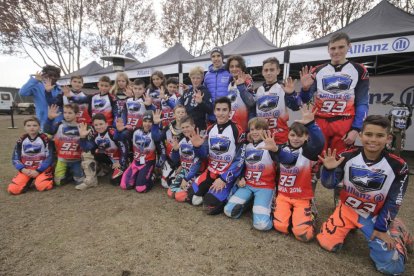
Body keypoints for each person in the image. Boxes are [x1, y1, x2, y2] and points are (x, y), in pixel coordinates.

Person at [317, 115, 412, 275]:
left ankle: (397, 230)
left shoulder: (399, 166)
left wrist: (382, 227)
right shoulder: (347, 156)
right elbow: (328, 184)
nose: (373, 139)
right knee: (327, 243)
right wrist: (328, 169)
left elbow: (395, 200)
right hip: (347, 210)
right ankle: (346, 226)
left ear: (388, 138)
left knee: (392, 268)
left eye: (380, 135)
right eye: (369, 134)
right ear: (360, 135)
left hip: (374, 216)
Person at [299, 32, 369, 155]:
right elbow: (305, 100)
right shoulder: (318, 70)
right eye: (333, 48)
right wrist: (305, 89)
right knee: (317, 158)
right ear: (328, 50)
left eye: (341, 47)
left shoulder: (359, 69)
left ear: (349, 46)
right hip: (320, 120)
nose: (336, 51)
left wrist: (356, 129)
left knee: (339, 161)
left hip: (345, 121)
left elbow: (362, 102)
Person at [224, 118, 291, 230]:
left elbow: (288, 160)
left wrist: (276, 150)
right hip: (248, 185)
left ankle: (267, 208)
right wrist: (241, 178)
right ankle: (250, 203)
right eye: (252, 129)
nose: (255, 132)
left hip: (265, 187)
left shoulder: (271, 146)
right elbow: (242, 166)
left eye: (258, 129)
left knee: (261, 225)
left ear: (265, 130)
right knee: (229, 211)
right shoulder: (247, 146)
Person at [273, 105, 325, 241]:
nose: (296, 138)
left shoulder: (308, 151)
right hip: (283, 195)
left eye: (300, 136)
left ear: (307, 137)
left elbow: (319, 143)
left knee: (303, 235)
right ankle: (291, 216)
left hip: (301, 197)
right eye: (293, 135)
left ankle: (311, 215)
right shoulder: (282, 148)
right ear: (288, 135)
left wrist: (311, 124)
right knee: (280, 227)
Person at [186, 97, 245, 215]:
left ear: (230, 112)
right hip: (211, 171)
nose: (221, 113)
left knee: (209, 206)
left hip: (226, 174)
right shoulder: (210, 128)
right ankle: (209, 189)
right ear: (214, 111)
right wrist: (198, 147)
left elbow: (240, 159)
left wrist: (224, 178)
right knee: (192, 197)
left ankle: (231, 189)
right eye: (218, 109)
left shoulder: (237, 130)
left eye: (224, 110)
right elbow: (204, 155)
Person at [255, 57, 300, 144]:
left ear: (278, 71)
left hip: (280, 134)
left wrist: (291, 94)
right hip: (262, 135)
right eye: (266, 70)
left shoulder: (283, 87)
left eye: (272, 70)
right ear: (262, 72)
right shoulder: (257, 90)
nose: (269, 73)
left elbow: (296, 107)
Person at [8, 117, 54, 195]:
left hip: (42, 169)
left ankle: (47, 177)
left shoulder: (45, 139)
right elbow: (15, 158)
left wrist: (38, 170)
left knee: (42, 186)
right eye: (28, 125)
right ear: (25, 127)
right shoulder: (21, 140)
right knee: (13, 189)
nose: (31, 127)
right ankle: (28, 180)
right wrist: (22, 169)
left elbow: (49, 157)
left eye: (34, 125)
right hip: (27, 170)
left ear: (39, 127)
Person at [79, 113, 128, 186]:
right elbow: (87, 149)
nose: (98, 127)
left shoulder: (112, 132)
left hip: (122, 158)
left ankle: (126, 166)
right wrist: (83, 138)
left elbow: (124, 148)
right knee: (94, 153)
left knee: (115, 181)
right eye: (96, 125)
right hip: (110, 159)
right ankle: (104, 168)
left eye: (101, 124)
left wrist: (121, 162)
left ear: (106, 124)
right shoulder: (95, 136)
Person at [44, 104, 85, 187]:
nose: (67, 115)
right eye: (65, 112)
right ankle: (68, 173)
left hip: (77, 160)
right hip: (62, 160)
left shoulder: (82, 126)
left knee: (80, 182)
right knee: (58, 183)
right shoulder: (59, 125)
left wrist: (83, 137)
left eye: (70, 113)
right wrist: (50, 119)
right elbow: (48, 130)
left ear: (77, 114)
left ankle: (75, 171)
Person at [168, 115, 206, 202]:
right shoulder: (181, 140)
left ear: (193, 126)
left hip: (196, 173)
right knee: (170, 193)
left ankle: (200, 192)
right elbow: (175, 160)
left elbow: (197, 164)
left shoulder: (199, 139)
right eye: (183, 127)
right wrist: (175, 150)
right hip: (184, 170)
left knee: (179, 196)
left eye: (187, 126)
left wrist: (186, 179)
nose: (185, 129)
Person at [117, 111, 158, 193]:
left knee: (140, 188)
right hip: (136, 162)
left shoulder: (155, 133)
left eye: (150, 122)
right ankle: (138, 177)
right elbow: (119, 138)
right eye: (145, 121)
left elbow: (160, 143)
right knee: (124, 185)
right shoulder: (136, 130)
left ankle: (152, 176)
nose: (147, 124)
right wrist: (119, 131)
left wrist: (156, 125)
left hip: (148, 162)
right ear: (142, 121)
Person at [152, 105, 187, 188]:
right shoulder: (169, 128)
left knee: (178, 183)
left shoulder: (188, 129)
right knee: (166, 184)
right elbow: (156, 138)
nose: (181, 114)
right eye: (178, 112)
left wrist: (182, 166)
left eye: (183, 112)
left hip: (184, 162)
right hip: (170, 160)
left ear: (186, 114)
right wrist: (155, 124)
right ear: (174, 115)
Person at [19, 65, 62, 130]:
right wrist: (34, 80)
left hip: (58, 123)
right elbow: (22, 92)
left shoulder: (60, 89)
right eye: (50, 75)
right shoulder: (37, 86)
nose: (52, 77)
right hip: (42, 123)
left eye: (55, 76)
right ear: (44, 75)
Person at [225, 55, 255, 133]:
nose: (234, 69)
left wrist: (241, 86)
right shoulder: (230, 83)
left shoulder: (247, 80)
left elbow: (251, 103)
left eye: (237, 66)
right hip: (232, 124)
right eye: (231, 66)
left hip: (243, 126)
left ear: (242, 68)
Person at [178, 66, 213, 133]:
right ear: (190, 78)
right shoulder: (187, 91)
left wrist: (201, 102)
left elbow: (210, 110)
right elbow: (180, 106)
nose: (195, 80)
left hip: (199, 127)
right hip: (186, 127)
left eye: (198, 78)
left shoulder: (205, 91)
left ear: (202, 78)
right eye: (193, 78)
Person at [203, 47, 232, 123]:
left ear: (222, 57)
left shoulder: (229, 72)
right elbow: (204, 92)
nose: (216, 58)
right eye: (213, 56)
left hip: (227, 115)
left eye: (218, 56)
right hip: (211, 116)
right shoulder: (207, 75)